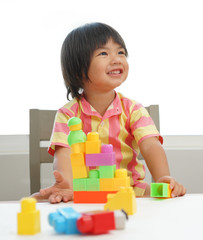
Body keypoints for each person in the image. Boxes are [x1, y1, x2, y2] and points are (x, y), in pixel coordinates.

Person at [32, 22, 186, 203]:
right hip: (86, 193)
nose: (116, 59)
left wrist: (163, 179)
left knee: (162, 199)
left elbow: (151, 146)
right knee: (37, 199)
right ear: (78, 69)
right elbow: (64, 153)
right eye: (104, 53)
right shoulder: (67, 114)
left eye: (121, 52)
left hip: (130, 190)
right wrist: (68, 185)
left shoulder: (134, 110)